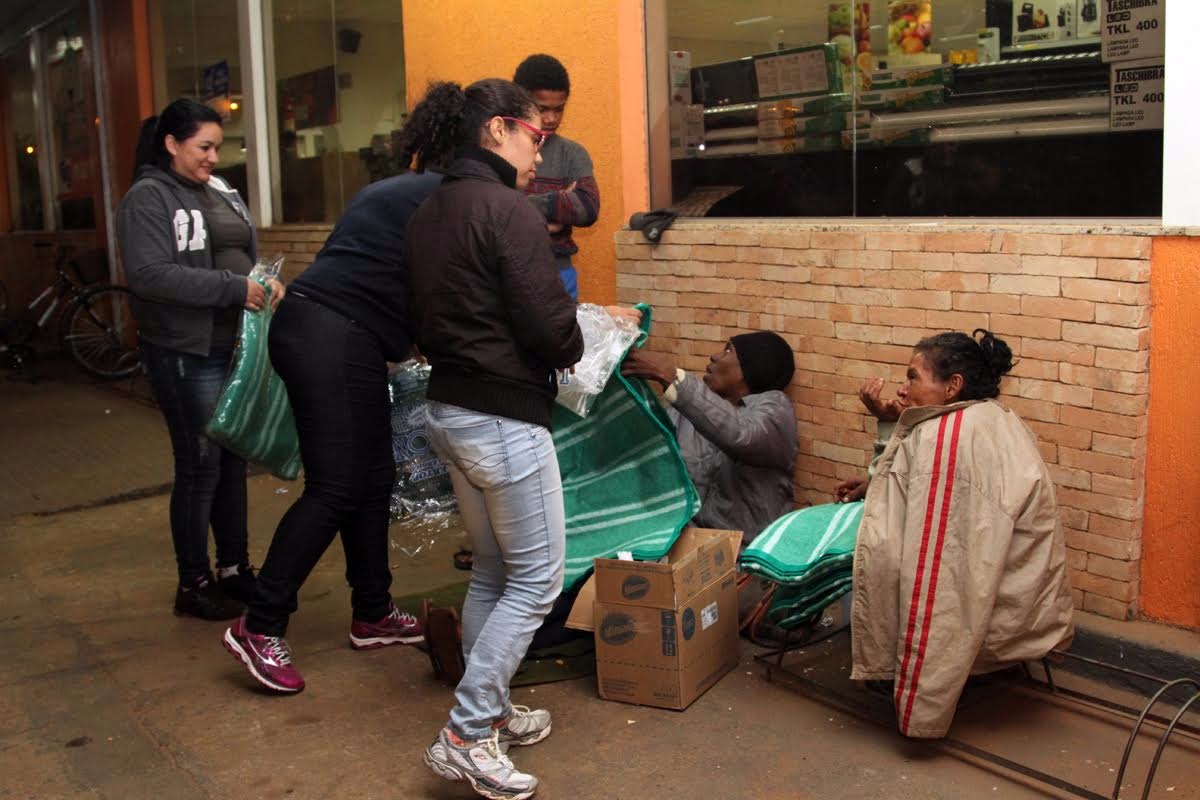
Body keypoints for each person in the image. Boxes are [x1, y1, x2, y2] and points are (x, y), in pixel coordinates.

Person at [220, 95, 462, 694]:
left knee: (372, 477)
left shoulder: (393, 190)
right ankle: (260, 622)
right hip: (332, 336)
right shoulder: (442, 196)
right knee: (336, 485)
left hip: (327, 333)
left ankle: (373, 611)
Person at [405, 77, 583, 800]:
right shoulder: (505, 210)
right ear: (496, 131)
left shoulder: (428, 211)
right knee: (537, 580)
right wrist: (577, 338)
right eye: (534, 135)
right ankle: (468, 733)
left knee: (492, 573)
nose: (542, 150)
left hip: (450, 408)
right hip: (504, 417)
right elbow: (552, 330)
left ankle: (495, 712)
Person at [846, 329, 1074, 738]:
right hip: (1026, 602)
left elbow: (941, 582)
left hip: (997, 611)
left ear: (953, 386)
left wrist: (920, 711)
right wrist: (873, 481)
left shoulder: (949, 439)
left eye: (914, 377)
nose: (904, 386)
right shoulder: (987, 416)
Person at [118, 99, 282, 621]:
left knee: (231, 460)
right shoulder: (147, 198)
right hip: (186, 350)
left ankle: (234, 570)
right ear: (171, 144)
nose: (215, 156)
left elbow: (237, 252)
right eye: (204, 147)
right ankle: (192, 582)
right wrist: (233, 288)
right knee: (200, 466)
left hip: (231, 345)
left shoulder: (216, 190)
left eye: (218, 146)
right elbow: (149, 275)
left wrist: (261, 278)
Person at [621, 331, 798, 545]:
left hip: (746, 558)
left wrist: (671, 377)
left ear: (751, 367)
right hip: (685, 548)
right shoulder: (687, 413)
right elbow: (644, 452)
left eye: (727, 350)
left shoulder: (775, 409)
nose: (715, 356)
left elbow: (741, 435)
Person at [513, 54, 599, 301]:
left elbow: (587, 208)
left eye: (559, 109)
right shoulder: (502, 147)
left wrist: (520, 209)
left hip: (559, 272)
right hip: (508, 270)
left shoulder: (572, 153)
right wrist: (557, 206)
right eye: (542, 109)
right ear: (520, 102)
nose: (551, 119)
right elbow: (490, 213)